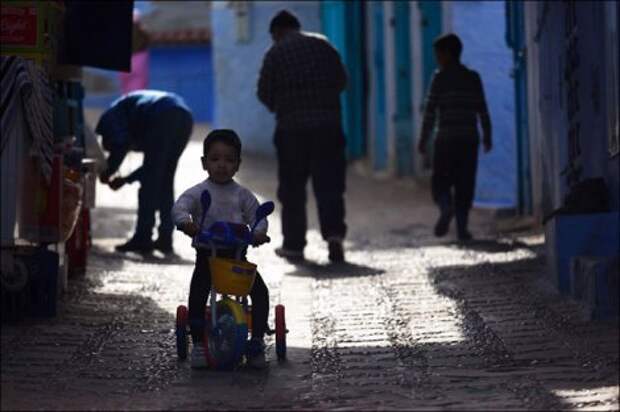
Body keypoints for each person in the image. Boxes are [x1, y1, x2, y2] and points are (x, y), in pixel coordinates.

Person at [171, 129, 271, 369]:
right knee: (198, 294)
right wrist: (186, 223)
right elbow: (179, 208)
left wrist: (258, 231)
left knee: (260, 293)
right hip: (207, 257)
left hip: (237, 259)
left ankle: (256, 341)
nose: (222, 165)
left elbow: (258, 216)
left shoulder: (242, 195)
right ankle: (198, 344)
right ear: (204, 162)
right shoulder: (198, 192)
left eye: (229, 160)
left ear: (238, 165)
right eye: (215, 159)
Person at [257, 9, 348, 263]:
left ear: (277, 32)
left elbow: (264, 92)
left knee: (292, 189)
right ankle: (334, 238)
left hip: (291, 132)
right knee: (329, 185)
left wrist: (281, 106)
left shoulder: (275, 53)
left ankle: (295, 245)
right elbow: (342, 81)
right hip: (328, 128)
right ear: (296, 26)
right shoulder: (324, 45)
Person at [96, 90, 193, 254]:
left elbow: (120, 147)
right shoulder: (125, 112)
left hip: (163, 114)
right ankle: (165, 239)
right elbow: (153, 165)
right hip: (184, 115)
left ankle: (142, 238)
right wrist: (125, 179)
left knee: (149, 185)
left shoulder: (110, 119)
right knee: (165, 181)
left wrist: (108, 172)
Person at [417, 33, 492, 241]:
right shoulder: (473, 78)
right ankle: (462, 229)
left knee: (440, 182)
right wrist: (487, 136)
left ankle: (445, 207)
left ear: (448, 53)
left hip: (446, 139)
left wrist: (423, 139)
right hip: (469, 139)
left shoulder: (439, 78)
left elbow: (430, 111)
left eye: (438, 54)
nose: (437, 58)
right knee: (465, 184)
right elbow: (483, 110)